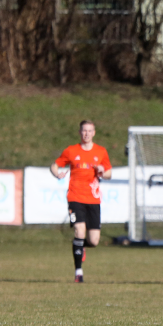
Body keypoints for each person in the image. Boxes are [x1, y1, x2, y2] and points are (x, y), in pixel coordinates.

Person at [51, 120, 112, 283]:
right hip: (75, 197)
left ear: (94, 133)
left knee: (93, 240)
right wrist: (57, 173)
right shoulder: (71, 151)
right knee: (79, 230)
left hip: (93, 199)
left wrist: (102, 171)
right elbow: (54, 165)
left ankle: (80, 246)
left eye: (90, 131)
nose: (86, 134)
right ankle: (78, 272)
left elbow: (109, 173)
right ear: (79, 132)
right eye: (84, 131)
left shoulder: (101, 151)